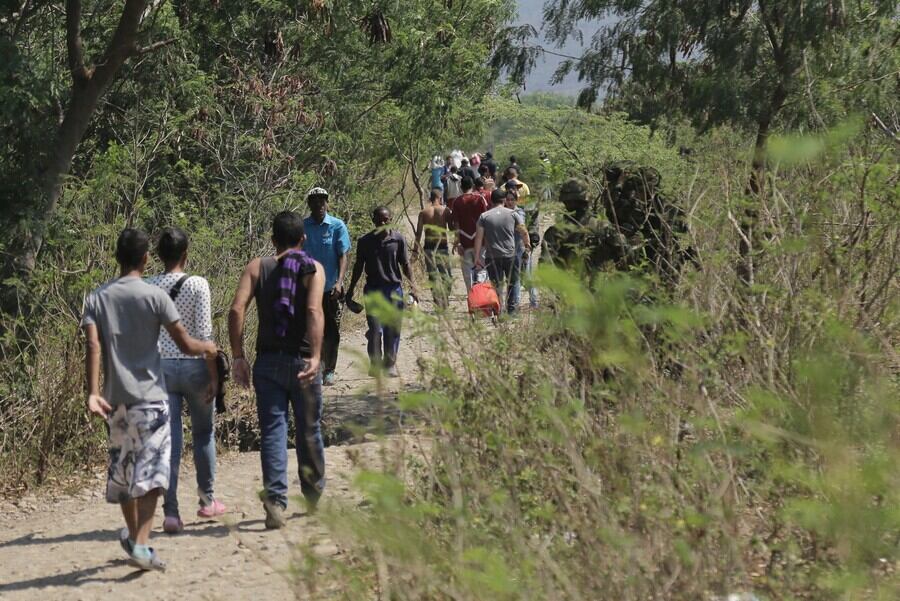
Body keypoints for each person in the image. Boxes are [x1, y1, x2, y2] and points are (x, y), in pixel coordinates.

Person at [82, 228, 217, 571]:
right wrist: (209, 349)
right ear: (145, 258)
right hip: (151, 398)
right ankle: (141, 546)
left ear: (117, 256)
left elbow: (93, 344)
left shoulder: (97, 297)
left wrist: (93, 391)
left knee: (125, 471)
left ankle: (134, 537)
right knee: (154, 475)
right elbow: (186, 343)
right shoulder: (155, 296)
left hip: (115, 400)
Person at [229, 211, 326, 529]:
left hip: (268, 361)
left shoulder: (257, 267)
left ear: (273, 240)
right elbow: (313, 310)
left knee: (273, 431)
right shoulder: (314, 268)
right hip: (303, 361)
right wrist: (316, 356)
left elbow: (236, 309)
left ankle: (275, 501)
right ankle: (312, 496)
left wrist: (238, 356)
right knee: (309, 429)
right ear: (303, 239)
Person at [148, 227, 224, 535]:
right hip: (195, 367)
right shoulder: (198, 284)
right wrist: (215, 377)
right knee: (204, 433)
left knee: (170, 441)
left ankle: (171, 513)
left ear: (158, 256)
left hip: (161, 369)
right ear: (185, 254)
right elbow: (204, 335)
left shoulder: (148, 286)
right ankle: (207, 501)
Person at [346, 207, 420, 378]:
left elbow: (405, 264)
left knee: (392, 330)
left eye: (386, 219)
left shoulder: (398, 239)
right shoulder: (365, 241)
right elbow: (358, 266)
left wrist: (413, 286)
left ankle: (390, 364)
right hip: (373, 290)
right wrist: (350, 290)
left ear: (391, 219)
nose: (382, 222)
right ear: (373, 220)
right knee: (375, 330)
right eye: (379, 219)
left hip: (394, 290)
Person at [302, 187, 351, 386]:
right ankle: (317, 366)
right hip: (308, 290)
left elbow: (343, 256)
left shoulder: (337, 226)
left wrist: (339, 282)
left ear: (327, 203)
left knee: (331, 332)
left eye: (322, 201)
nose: (319, 205)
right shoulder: (303, 227)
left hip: (330, 289)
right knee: (310, 332)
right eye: (315, 201)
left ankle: (329, 370)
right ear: (309, 204)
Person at [474, 189, 531, 314]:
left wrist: (477, 257)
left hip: (492, 256)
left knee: (496, 285)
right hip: (510, 255)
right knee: (513, 283)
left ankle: (498, 310)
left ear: (491, 201)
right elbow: (524, 232)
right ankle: (511, 311)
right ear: (504, 200)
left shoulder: (484, 216)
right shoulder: (513, 214)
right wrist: (527, 246)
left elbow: (478, 238)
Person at [414, 189, 453, 309]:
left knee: (433, 276)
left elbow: (418, 233)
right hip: (442, 247)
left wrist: (415, 251)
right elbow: (452, 228)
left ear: (430, 198)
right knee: (446, 276)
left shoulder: (423, 212)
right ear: (440, 197)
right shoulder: (445, 210)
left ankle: (437, 300)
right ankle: (445, 299)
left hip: (429, 248)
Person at [450, 175, 489, 292]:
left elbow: (456, 224)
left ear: (461, 187)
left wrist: (457, 243)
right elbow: (486, 220)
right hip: (480, 242)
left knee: (468, 275)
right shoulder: (480, 199)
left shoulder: (457, 202)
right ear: (472, 186)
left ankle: (471, 297)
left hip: (465, 242)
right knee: (482, 270)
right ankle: (481, 296)